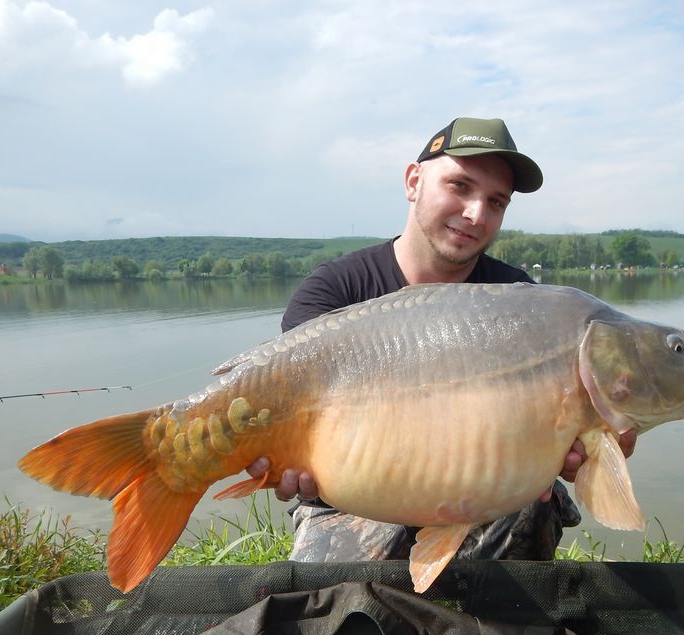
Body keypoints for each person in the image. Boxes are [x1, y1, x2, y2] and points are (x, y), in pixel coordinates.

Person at [247, 116, 636, 563]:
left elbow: (561, 438)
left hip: (482, 495)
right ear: (414, 181)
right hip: (355, 500)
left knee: (528, 506)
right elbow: (288, 413)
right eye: (459, 187)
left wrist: (590, 442)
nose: (476, 214)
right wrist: (284, 462)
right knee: (339, 606)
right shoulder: (335, 290)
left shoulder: (521, 302)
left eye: (496, 201)